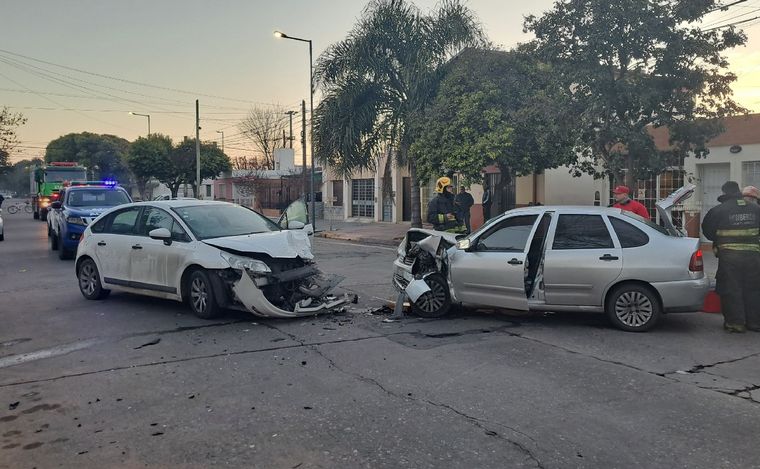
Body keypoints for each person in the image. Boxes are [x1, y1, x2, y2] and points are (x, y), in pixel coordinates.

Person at [702, 181, 760, 333]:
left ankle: (736, 324)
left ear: (725, 192)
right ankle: (754, 323)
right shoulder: (756, 209)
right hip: (753, 256)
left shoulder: (719, 210)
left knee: (731, 289)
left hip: (729, 258)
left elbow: (707, 230)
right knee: (753, 289)